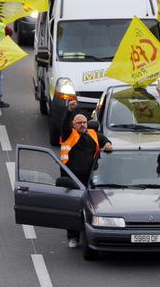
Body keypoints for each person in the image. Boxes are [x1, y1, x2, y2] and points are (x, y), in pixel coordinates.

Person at [55, 102, 113, 248]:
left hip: (90, 179)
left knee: (91, 208)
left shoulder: (93, 134)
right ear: (73, 125)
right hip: (72, 179)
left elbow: (103, 139)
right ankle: (72, 237)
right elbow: (63, 125)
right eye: (78, 122)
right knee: (73, 208)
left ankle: (90, 233)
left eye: (84, 122)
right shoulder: (69, 134)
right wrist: (69, 111)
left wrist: (107, 143)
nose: (82, 125)